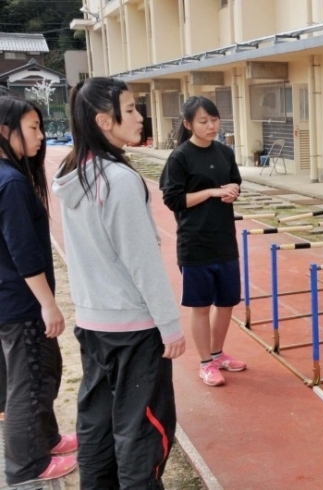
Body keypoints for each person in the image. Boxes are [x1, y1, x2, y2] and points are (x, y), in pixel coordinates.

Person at [52, 77, 186, 488]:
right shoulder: (119, 181)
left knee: (97, 423)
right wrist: (170, 325)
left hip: (93, 322)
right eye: (129, 110)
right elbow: (142, 263)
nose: (139, 117)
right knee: (143, 431)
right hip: (132, 329)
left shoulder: (73, 173)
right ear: (104, 121)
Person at [0, 96, 78, 483]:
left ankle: (46, 438)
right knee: (28, 381)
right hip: (20, 301)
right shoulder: (10, 181)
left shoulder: (7, 176)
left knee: (43, 371)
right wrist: (49, 304)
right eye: (33, 128)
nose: (41, 136)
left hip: (13, 298)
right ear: (5, 131)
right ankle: (26, 465)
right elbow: (23, 251)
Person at [160, 96, 246, 387]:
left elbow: (234, 183)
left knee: (226, 303)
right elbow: (173, 199)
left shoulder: (224, 152)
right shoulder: (180, 158)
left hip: (224, 241)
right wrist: (210, 192)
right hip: (195, 243)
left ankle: (218, 354)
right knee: (201, 306)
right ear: (188, 124)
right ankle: (205, 362)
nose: (211, 126)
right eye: (203, 121)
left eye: (214, 119)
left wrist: (231, 191)